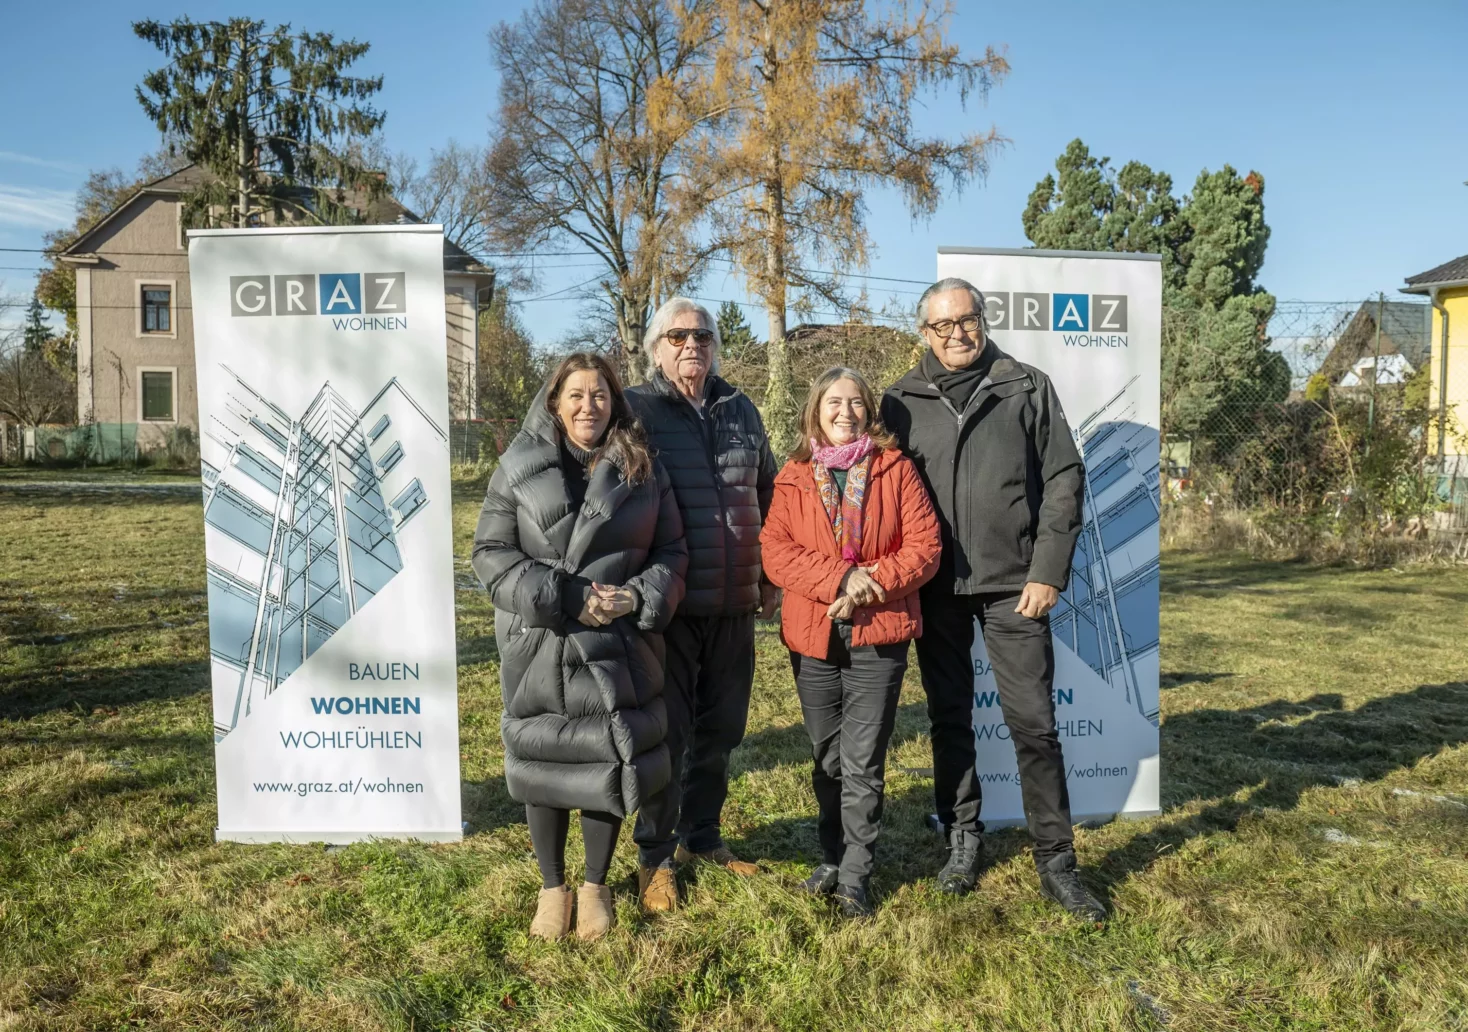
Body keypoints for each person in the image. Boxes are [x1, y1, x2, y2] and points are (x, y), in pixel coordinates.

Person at [879, 277, 1108, 923]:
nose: (957, 333)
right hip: (935, 587)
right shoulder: (899, 400)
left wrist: (1048, 570)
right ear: (924, 332)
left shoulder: (1025, 385)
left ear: (983, 319)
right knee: (949, 718)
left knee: (1034, 723)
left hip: (1016, 587)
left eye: (967, 319)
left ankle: (1057, 863)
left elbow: (1064, 477)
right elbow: (881, 490)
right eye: (943, 325)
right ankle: (961, 839)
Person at [472, 352, 688, 940]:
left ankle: (594, 885)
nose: (588, 406)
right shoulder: (517, 465)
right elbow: (489, 553)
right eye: (576, 394)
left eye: (599, 394)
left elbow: (672, 552)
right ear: (555, 402)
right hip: (540, 639)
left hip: (616, 639)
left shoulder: (642, 467)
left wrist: (636, 597)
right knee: (540, 756)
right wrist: (562, 596)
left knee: (603, 753)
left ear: (615, 402)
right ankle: (552, 887)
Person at [760, 367, 941, 917]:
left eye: (856, 402)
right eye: (834, 402)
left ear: (870, 411)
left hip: (878, 632)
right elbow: (776, 552)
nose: (846, 412)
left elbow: (925, 548)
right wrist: (840, 578)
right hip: (813, 632)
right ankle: (832, 857)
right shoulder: (794, 474)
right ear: (815, 411)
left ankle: (856, 875)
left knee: (862, 760)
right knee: (827, 756)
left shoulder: (895, 469)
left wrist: (870, 585)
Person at [626, 297, 779, 908]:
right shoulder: (636, 410)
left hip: (735, 601)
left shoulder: (740, 407)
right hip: (672, 605)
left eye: (703, 336)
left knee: (722, 729)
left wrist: (771, 574)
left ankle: (702, 837)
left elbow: (768, 491)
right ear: (656, 348)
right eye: (678, 336)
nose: (693, 345)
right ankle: (655, 856)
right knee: (668, 736)